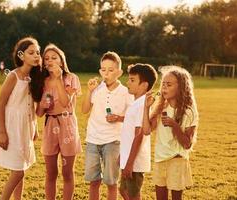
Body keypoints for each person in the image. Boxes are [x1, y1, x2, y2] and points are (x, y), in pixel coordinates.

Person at [0, 37, 44, 200]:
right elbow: (1, 104)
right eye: (31, 52)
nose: (36, 55)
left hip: (25, 127)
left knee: (21, 167)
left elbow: (31, 106)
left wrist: (34, 127)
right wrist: (2, 132)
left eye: (37, 52)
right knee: (18, 171)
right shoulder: (13, 76)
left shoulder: (33, 78)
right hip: (12, 127)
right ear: (21, 56)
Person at [82, 51, 134, 200]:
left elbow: (131, 118)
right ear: (100, 71)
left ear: (119, 72)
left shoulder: (125, 92)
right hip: (92, 139)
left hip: (113, 141)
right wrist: (89, 91)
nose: (106, 73)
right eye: (103, 70)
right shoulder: (96, 89)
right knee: (93, 181)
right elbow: (85, 110)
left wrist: (118, 117)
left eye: (111, 70)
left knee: (111, 182)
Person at [142, 66, 199, 200]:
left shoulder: (189, 111)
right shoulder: (161, 107)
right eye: (163, 84)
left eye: (169, 85)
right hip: (160, 159)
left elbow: (187, 144)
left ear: (181, 87)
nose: (164, 88)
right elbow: (146, 130)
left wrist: (174, 125)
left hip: (177, 160)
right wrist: (146, 108)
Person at [37, 44, 82, 200]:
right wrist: (43, 105)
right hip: (50, 125)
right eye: (46, 58)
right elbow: (40, 113)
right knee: (51, 172)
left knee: (67, 172)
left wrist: (57, 80)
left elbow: (65, 103)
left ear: (62, 62)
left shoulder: (71, 78)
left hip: (67, 125)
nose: (50, 61)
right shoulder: (43, 82)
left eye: (54, 58)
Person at [119, 63, 158, 200]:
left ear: (144, 85)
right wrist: (122, 157)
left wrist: (129, 163)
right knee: (123, 190)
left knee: (132, 194)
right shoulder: (135, 103)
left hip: (135, 162)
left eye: (132, 80)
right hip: (128, 159)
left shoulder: (142, 105)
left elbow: (139, 135)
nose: (127, 82)